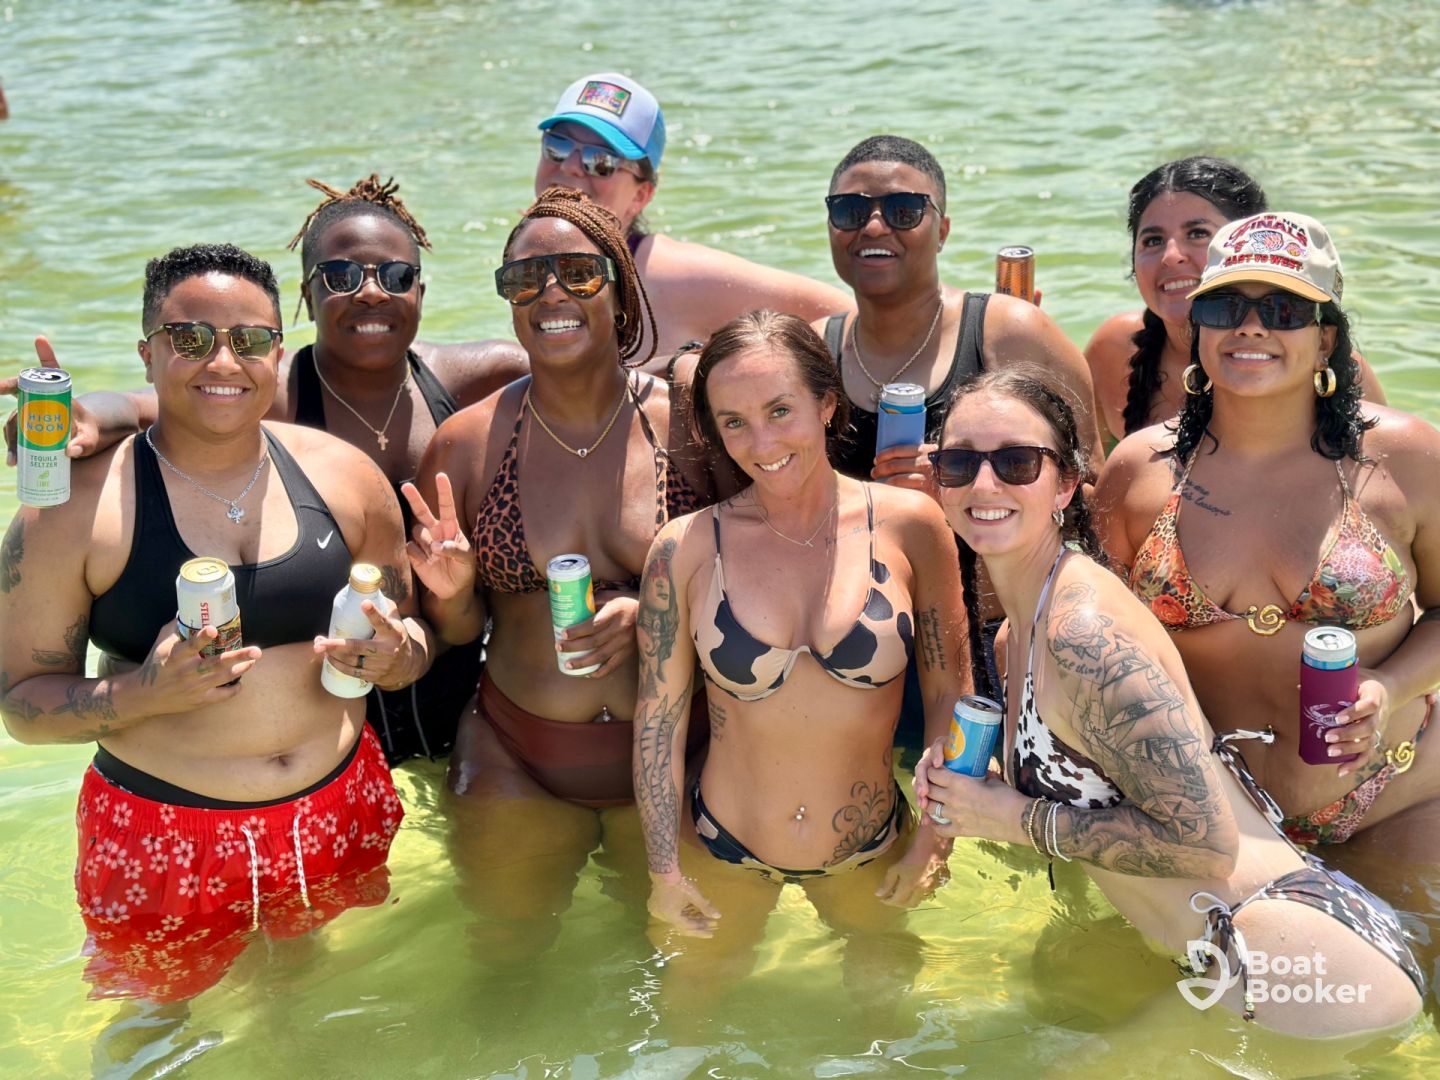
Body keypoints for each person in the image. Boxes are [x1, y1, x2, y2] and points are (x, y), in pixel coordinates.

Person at [915, 368, 1422, 1037]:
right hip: (1255, 947)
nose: (984, 484)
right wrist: (975, 796)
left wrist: (1014, 819)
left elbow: (1204, 847)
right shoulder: (1020, 634)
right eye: (959, 463)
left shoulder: (1082, 633)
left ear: (1065, 485)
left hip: (1291, 962)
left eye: (1017, 463)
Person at [0, 244, 429, 1001]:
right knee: (153, 1024)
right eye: (191, 338)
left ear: (279, 352)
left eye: (250, 339)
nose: (223, 360)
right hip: (163, 833)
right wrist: (141, 695)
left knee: (315, 1007)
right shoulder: (73, 511)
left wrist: (400, 659)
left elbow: (414, 635)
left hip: (337, 806)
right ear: (147, 354)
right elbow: (19, 707)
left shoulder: (345, 476)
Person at [3, 175, 526, 763]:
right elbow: (153, 404)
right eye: (341, 276)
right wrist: (83, 416)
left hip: (406, 702)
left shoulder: (432, 413)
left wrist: (422, 635)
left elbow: (580, 378)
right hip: (181, 789)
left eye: (397, 276)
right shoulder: (257, 398)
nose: (371, 292)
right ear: (308, 295)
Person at [404, 186, 713, 966]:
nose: (550, 294)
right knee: (505, 971)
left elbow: (761, 573)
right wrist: (452, 592)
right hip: (517, 757)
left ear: (621, 288)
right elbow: (458, 634)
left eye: (577, 273)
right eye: (524, 279)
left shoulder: (690, 424)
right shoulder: (467, 444)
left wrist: (658, 612)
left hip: (682, 751)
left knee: (689, 974)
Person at [632, 311, 965, 1001]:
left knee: (886, 1035)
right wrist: (664, 872)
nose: (762, 443)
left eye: (780, 410)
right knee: (686, 1030)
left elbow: (950, 696)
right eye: (734, 423)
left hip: (870, 848)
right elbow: (659, 722)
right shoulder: (684, 548)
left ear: (827, 403)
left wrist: (935, 839)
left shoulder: (911, 525)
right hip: (722, 846)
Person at [1095, 211, 1440, 856]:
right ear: (1198, 328)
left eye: (1284, 310)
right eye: (1225, 307)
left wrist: (1391, 686)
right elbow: (1086, 638)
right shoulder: (1139, 470)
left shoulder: (1405, 457)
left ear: (1326, 338)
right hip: (1205, 818)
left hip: (1397, 793)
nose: (1251, 326)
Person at [816, 134, 1101, 728]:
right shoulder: (816, 352)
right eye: (849, 210)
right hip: (857, 651)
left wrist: (962, 495)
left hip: (996, 638)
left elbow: (1093, 500)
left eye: (903, 210)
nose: (874, 226)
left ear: (942, 229)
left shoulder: (1010, 332)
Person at [533, 72, 849, 366]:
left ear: (641, 195)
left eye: (600, 161)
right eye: (557, 147)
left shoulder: (671, 277)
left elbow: (845, 318)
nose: (570, 166)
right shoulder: (528, 266)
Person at [1084, 157, 1385, 448]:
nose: (1171, 256)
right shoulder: (1114, 348)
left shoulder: (1326, 363)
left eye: (1198, 233)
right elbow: (1090, 472)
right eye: (1153, 240)